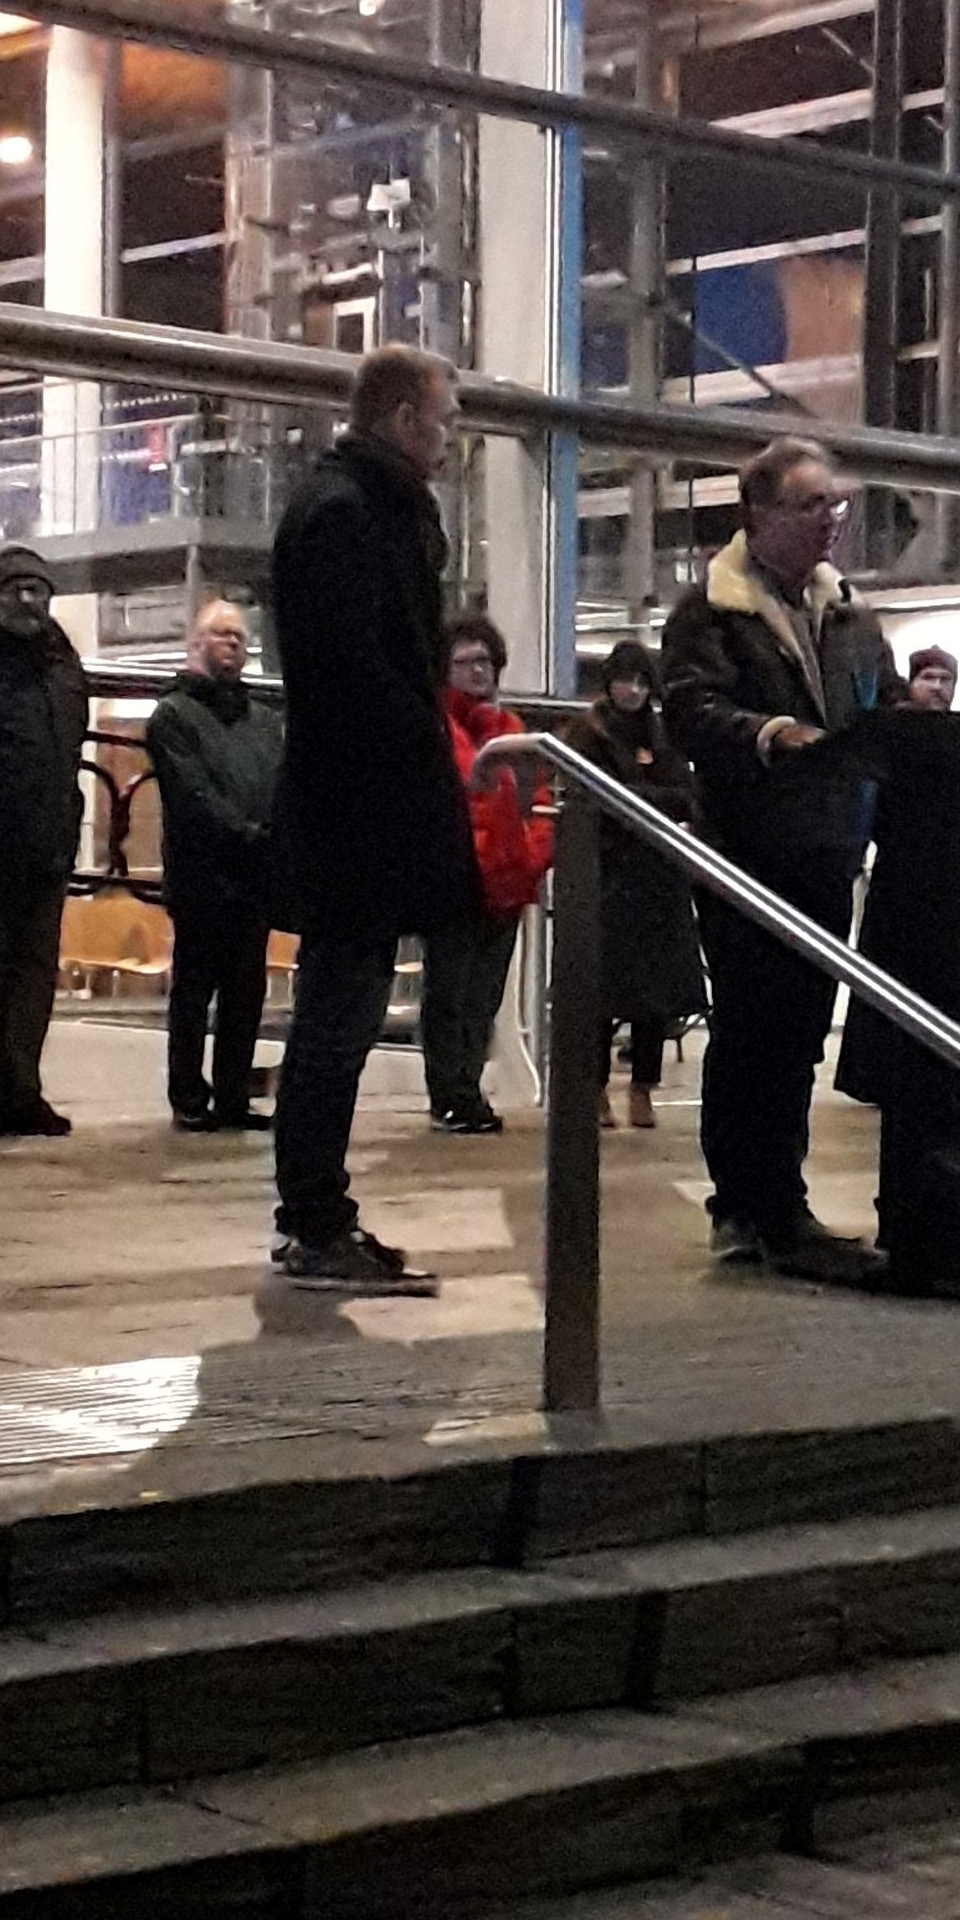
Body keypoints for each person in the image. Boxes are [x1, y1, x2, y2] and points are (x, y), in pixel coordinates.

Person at [662, 435, 902, 1276]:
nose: (829, 518)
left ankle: (784, 1202)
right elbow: (690, 711)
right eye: (809, 504)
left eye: (835, 503)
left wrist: (911, 725)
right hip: (746, 853)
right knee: (749, 1028)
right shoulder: (710, 612)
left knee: (800, 1033)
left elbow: (883, 703)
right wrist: (769, 733)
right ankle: (740, 1204)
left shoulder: (849, 613)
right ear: (758, 515)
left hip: (828, 848)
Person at [269, 344, 476, 1293]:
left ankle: (318, 1218)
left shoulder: (367, 508)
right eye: (446, 419)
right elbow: (354, 675)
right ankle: (315, 1225)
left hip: (363, 809)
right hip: (356, 815)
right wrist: (421, 752)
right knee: (335, 1022)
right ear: (403, 417)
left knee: (339, 1019)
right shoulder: (347, 515)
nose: (452, 438)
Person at [835, 645, 960, 1292]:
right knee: (910, 1076)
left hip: (956, 914)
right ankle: (906, 1217)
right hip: (910, 915)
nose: (937, 687)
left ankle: (940, 1214)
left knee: (945, 1078)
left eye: (946, 677)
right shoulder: (894, 745)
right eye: (927, 677)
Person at [0, 544, 88, 1137]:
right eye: (17, 589)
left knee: (33, 978)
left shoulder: (61, 662)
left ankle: (20, 1089)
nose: (30, 600)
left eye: (40, 590)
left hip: (46, 846)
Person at [147, 601, 284, 1133]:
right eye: (220, 634)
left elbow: (277, 782)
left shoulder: (264, 721)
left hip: (254, 877)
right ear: (196, 643)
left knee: (246, 994)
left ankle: (232, 1096)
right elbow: (192, 793)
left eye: (239, 637)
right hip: (202, 874)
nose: (231, 643)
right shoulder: (173, 716)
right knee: (194, 991)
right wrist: (247, 833)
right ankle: (187, 1095)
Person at [564, 640, 706, 1131]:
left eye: (643, 682)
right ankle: (595, 1087)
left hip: (659, 879)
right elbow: (596, 797)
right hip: (608, 878)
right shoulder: (588, 733)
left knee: (655, 998)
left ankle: (643, 1086)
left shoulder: (662, 734)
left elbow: (687, 795)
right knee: (601, 996)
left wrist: (637, 800)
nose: (633, 691)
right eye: (625, 680)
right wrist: (651, 801)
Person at [421, 611, 552, 1135]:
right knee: (449, 993)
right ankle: (448, 1094)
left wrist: (533, 854)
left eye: (485, 661)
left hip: (506, 882)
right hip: (455, 880)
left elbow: (538, 801)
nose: (478, 670)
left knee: (484, 997)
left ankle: (468, 1087)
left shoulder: (512, 730)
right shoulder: (436, 728)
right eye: (464, 662)